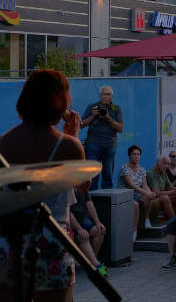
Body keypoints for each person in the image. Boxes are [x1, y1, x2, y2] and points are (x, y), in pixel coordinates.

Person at [0, 70, 85, 302]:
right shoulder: (68, 146)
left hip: (8, 242)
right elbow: (84, 186)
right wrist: (74, 136)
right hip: (51, 241)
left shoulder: (3, 143)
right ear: (59, 103)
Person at [81, 85, 124, 190]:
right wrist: (93, 115)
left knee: (108, 175)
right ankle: (92, 202)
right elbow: (81, 124)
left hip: (109, 145)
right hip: (93, 145)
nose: (106, 96)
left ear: (112, 96)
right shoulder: (92, 107)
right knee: (92, 176)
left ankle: (107, 203)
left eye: (109, 94)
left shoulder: (116, 108)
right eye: (104, 94)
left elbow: (120, 128)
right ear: (100, 95)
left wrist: (108, 117)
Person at [69, 182, 108, 278]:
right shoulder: (67, 188)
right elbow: (67, 212)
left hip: (82, 218)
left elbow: (89, 204)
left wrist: (98, 222)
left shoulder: (82, 184)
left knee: (100, 230)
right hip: (70, 221)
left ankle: (91, 262)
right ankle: (96, 264)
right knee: (83, 236)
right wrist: (79, 229)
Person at [119, 144, 157, 240]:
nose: (136, 156)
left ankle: (147, 220)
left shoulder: (142, 169)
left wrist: (149, 193)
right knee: (135, 205)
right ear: (129, 156)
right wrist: (146, 193)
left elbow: (145, 185)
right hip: (125, 195)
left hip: (137, 194)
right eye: (134, 154)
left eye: (138, 154)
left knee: (148, 197)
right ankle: (134, 231)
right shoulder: (124, 168)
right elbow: (131, 185)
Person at [146, 155, 176, 225]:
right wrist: (173, 191)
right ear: (158, 162)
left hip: (160, 198)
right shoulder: (151, 174)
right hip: (150, 201)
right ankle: (175, 223)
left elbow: (171, 187)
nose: (167, 166)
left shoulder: (163, 172)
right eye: (165, 163)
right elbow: (156, 193)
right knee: (165, 198)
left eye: (168, 164)